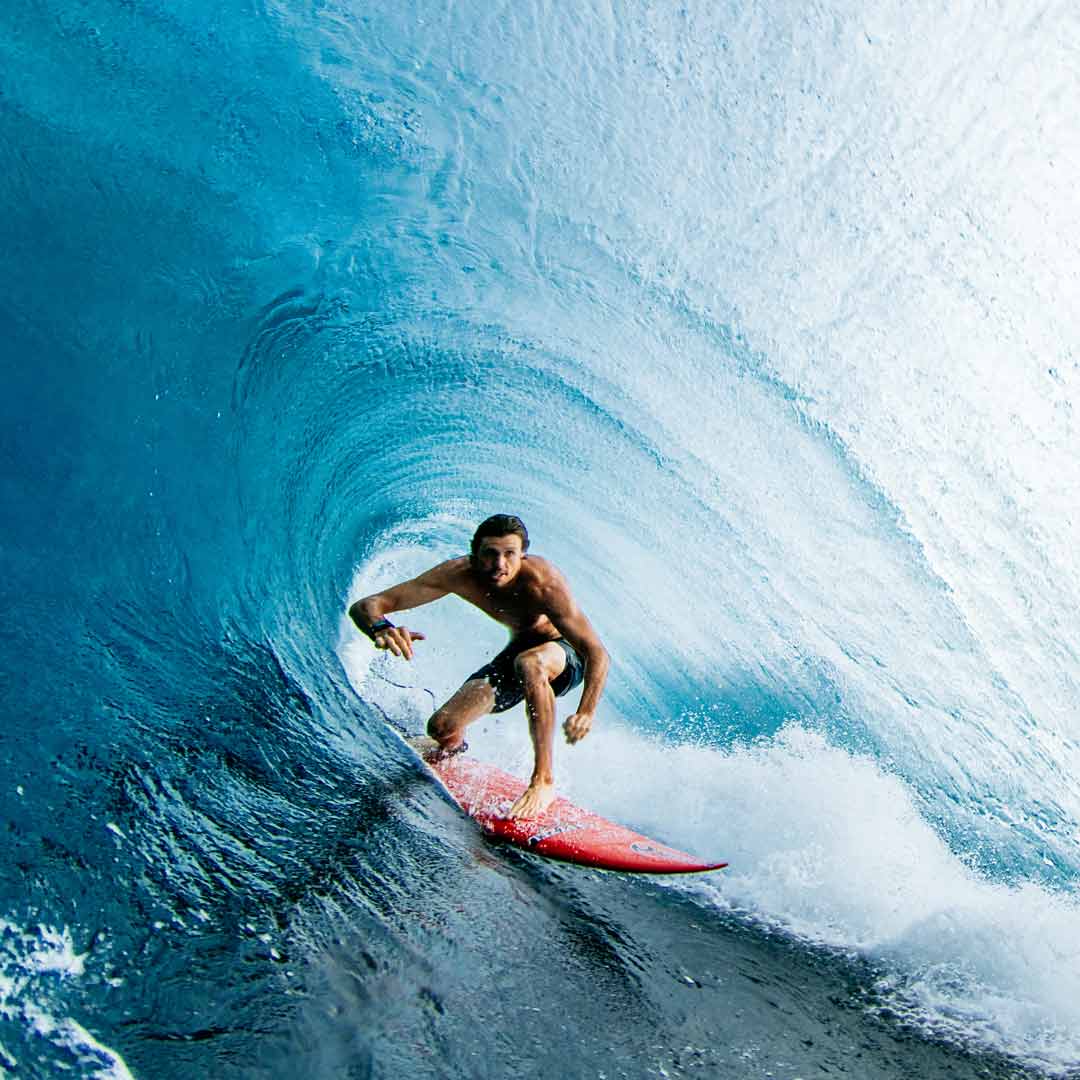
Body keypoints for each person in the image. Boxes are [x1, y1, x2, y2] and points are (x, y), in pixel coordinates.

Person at [350, 514, 609, 819]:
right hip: (518, 656)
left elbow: (597, 652)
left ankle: (544, 780)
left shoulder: (543, 583)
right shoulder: (457, 574)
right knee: (442, 727)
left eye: (510, 554)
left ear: (522, 555)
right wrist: (381, 627)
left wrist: (586, 711)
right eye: (490, 554)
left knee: (530, 662)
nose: (500, 564)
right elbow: (367, 606)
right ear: (474, 555)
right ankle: (451, 748)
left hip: (565, 655)